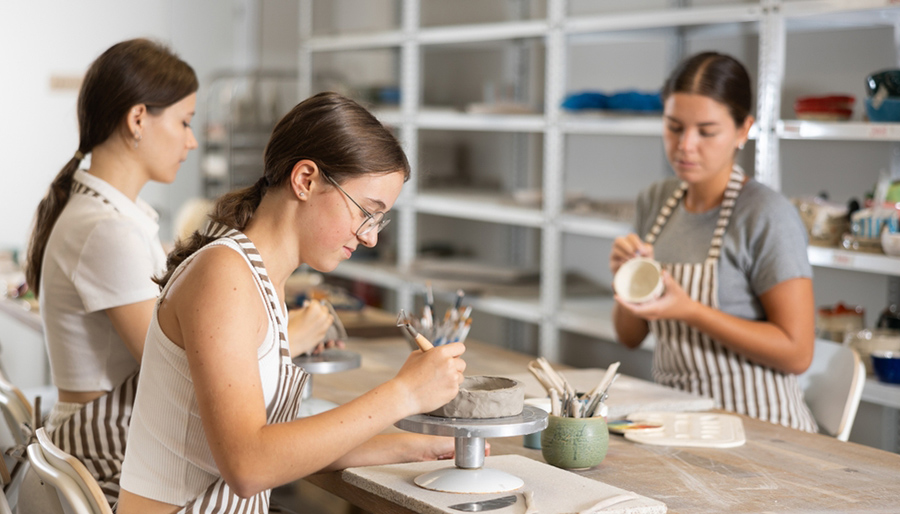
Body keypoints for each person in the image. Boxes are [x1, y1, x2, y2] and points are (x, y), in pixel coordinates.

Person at [117, 92, 467, 513]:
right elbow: (248, 464)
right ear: (305, 180)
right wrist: (403, 394)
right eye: (365, 212)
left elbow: (280, 446)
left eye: (380, 220)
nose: (371, 236)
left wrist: (408, 447)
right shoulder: (224, 276)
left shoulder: (261, 279)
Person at [609, 52, 817, 432]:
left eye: (706, 131)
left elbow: (798, 352)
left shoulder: (765, 213)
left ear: (743, 130)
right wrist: (628, 278)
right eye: (674, 127)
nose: (686, 145)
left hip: (760, 427)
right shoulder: (656, 200)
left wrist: (690, 311)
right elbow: (629, 336)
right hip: (675, 419)